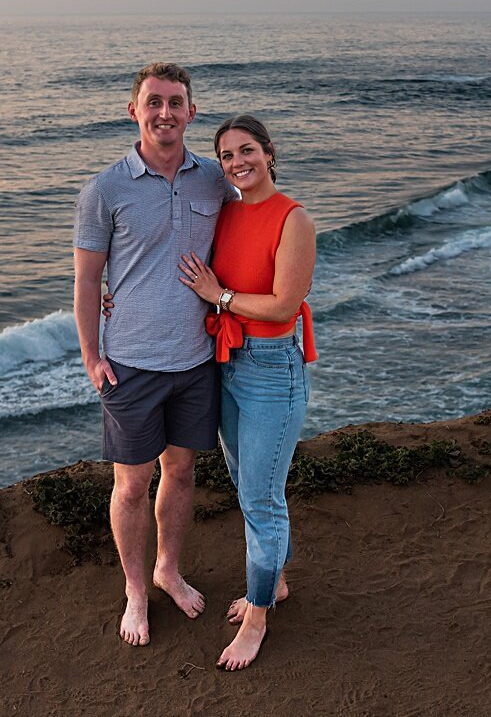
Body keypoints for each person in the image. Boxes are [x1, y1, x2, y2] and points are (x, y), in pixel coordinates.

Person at [72, 61, 236, 647]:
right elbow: (89, 282)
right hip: (131, 363)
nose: (164, 113)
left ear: (191, 112)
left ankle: (168, 568)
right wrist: (92, 357)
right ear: (134, 110)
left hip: (195, 360)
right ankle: (136, 590)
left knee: (183, 471)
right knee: (132, 484)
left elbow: (253, 227)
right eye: (153, 102)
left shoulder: (215, 180)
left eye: (175, 103)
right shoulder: (105, 189)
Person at [177, 113, 316, 671]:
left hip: (271, 369)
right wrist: (115, 298)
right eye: (228, 155)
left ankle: (257, 618)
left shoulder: (293, 218)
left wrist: (222, 296)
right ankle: (275, 581)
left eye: (247, 150)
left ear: (269, 152)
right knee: (246, 486)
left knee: (261, 501)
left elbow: (283, 305)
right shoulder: (228, 211)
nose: (237, 163)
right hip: (227, 363)